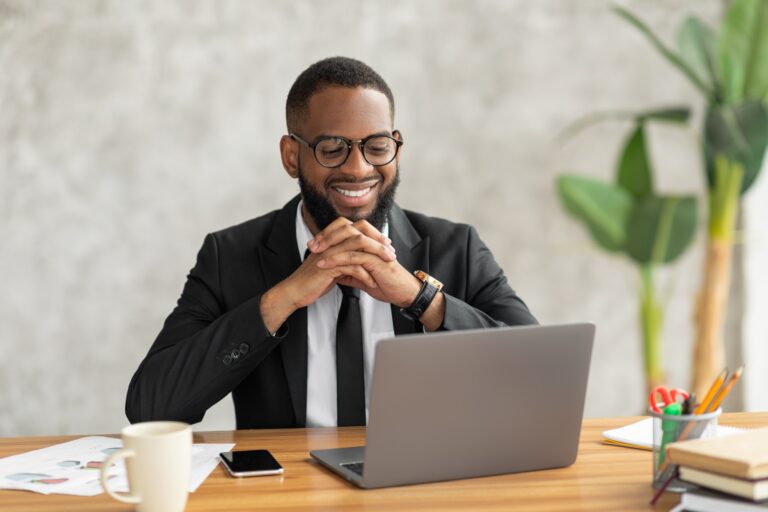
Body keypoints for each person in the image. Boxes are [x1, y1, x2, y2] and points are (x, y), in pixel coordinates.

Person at [125, 56, 537, 429]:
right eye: (332, 149)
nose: (359, 169)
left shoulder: (456, 248)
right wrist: (281, 299)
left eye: (377, 147)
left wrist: (420, 298)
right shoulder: (230, 256)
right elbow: (151, 406)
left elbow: (539, 378)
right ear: (291, 156)